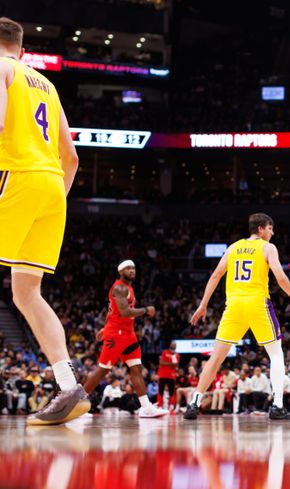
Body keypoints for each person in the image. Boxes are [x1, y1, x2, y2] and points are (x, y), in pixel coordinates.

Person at [0, 17, 87, 425]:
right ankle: (69, 386)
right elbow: (71, 157)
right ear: (20, 46)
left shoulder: (2, 69)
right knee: (26, 293)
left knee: (27, 293)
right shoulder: (46, 85)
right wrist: (52, 200)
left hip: (15, 174)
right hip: (53, 187)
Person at [185, 213, 290, 421]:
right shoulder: (268, 247)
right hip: (257, 304)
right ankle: (277, 406)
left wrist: (203, 305)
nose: (272, 233)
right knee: (276, 354)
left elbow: (215, 275)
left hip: (234, 306)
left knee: (216, 358)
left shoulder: (233, 247)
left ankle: (194, 403)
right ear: (261, 229)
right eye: (270, 229)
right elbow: (280, 276)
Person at [83, 261, 167, 418]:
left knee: (136, 369)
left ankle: (146, 407)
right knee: (103, 370)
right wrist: (146, 310)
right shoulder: (119, 288)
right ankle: (78, 404)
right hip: (116, 334)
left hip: (128, 334)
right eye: (128, 268)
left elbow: (112, 311)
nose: (132, 271)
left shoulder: (128, 287)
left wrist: (104, 327)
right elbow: (124, 312)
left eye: (133, 268)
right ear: (120, 271)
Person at [157, 341, 179, 410]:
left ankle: (171, 406)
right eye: (172, 344)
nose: (173, 346)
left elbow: (176, 365)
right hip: (162, 375)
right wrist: (171, 363)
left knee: (172, 391)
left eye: (175, 345)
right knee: (160, 390)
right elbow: (161, 362)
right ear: (170, 345)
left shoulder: (177, 355)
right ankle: (160, 406)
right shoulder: (164, 352)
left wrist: (170, 363)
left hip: (172, 376)